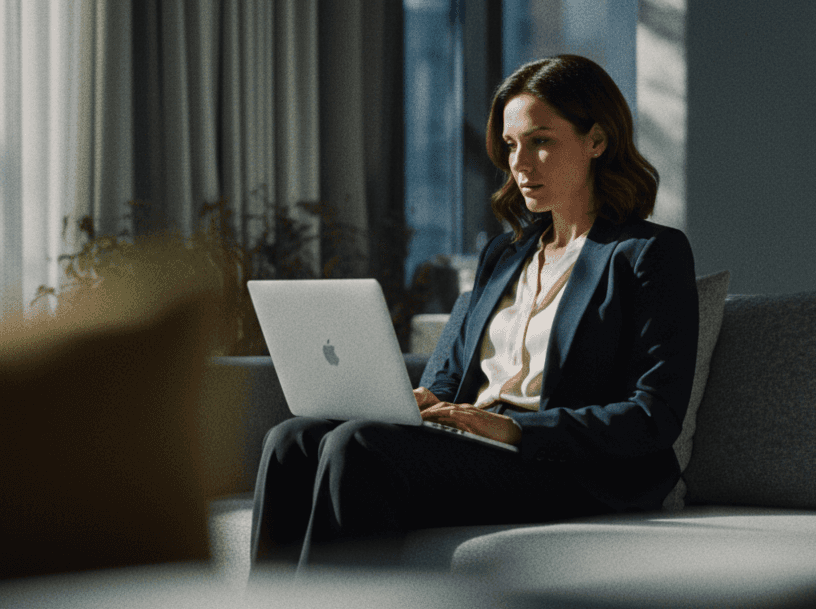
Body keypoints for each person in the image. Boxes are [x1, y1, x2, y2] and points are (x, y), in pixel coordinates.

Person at [250, 54, 699, 571]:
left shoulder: (648, 253)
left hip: (564, 468)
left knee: (362, 447)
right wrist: (412, 402)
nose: (520, 164)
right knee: (293, 440)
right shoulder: (504, 257)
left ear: (597, 141)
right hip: (475, 450)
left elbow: (653, 417)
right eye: (511, 146)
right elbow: (445, 381)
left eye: (541, 141)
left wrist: (513, 429)